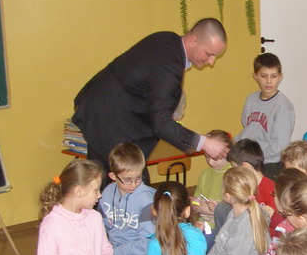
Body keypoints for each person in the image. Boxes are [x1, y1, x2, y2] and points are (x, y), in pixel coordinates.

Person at [72, 18, 229, 174]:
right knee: (130, 181)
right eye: (209, 54)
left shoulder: (167, 39)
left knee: (112, 180)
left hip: (104, 112)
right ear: (193, 40)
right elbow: (161, 124)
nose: (211, 62)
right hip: (108, 120)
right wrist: (205, 143)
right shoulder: (169, 65)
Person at [98, 143, 155, 255]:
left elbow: (149, 243)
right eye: (128, 179)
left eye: (138, 178)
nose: (134, 184)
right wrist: (104, 252)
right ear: (113, 176)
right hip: (113, 252)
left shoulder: (146, 200)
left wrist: (115, 253)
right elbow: (101, 229)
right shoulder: (107, 193)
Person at [237, 52, 295, 180]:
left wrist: (252, 155)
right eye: (263, 76)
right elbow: (247, 129)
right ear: (255, 76)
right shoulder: (251, 100)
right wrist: (235, 146)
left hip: (271, 164)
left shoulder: (283, 106)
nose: (269, 81)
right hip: (249, 160)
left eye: (273, 76)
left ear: (280, 77)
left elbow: (280, 146)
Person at [212, 139, 276, 231]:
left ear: (246, 166)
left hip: (259, 233)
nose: (234, 171)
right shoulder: (241, 186)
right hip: (239, 229)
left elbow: (274, 225)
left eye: (234, 167)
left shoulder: (271, 190)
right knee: (222, 208)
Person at [192, 129, 234, 228]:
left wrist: (214, 210)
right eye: (207, 157)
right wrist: (195, 205)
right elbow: (197, 199)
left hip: (224, 226)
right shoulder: (205, 174)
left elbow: (236, 210)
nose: (210, 162)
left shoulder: (234, 174)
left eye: (214, 157)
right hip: (203, 224)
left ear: (226, 152)